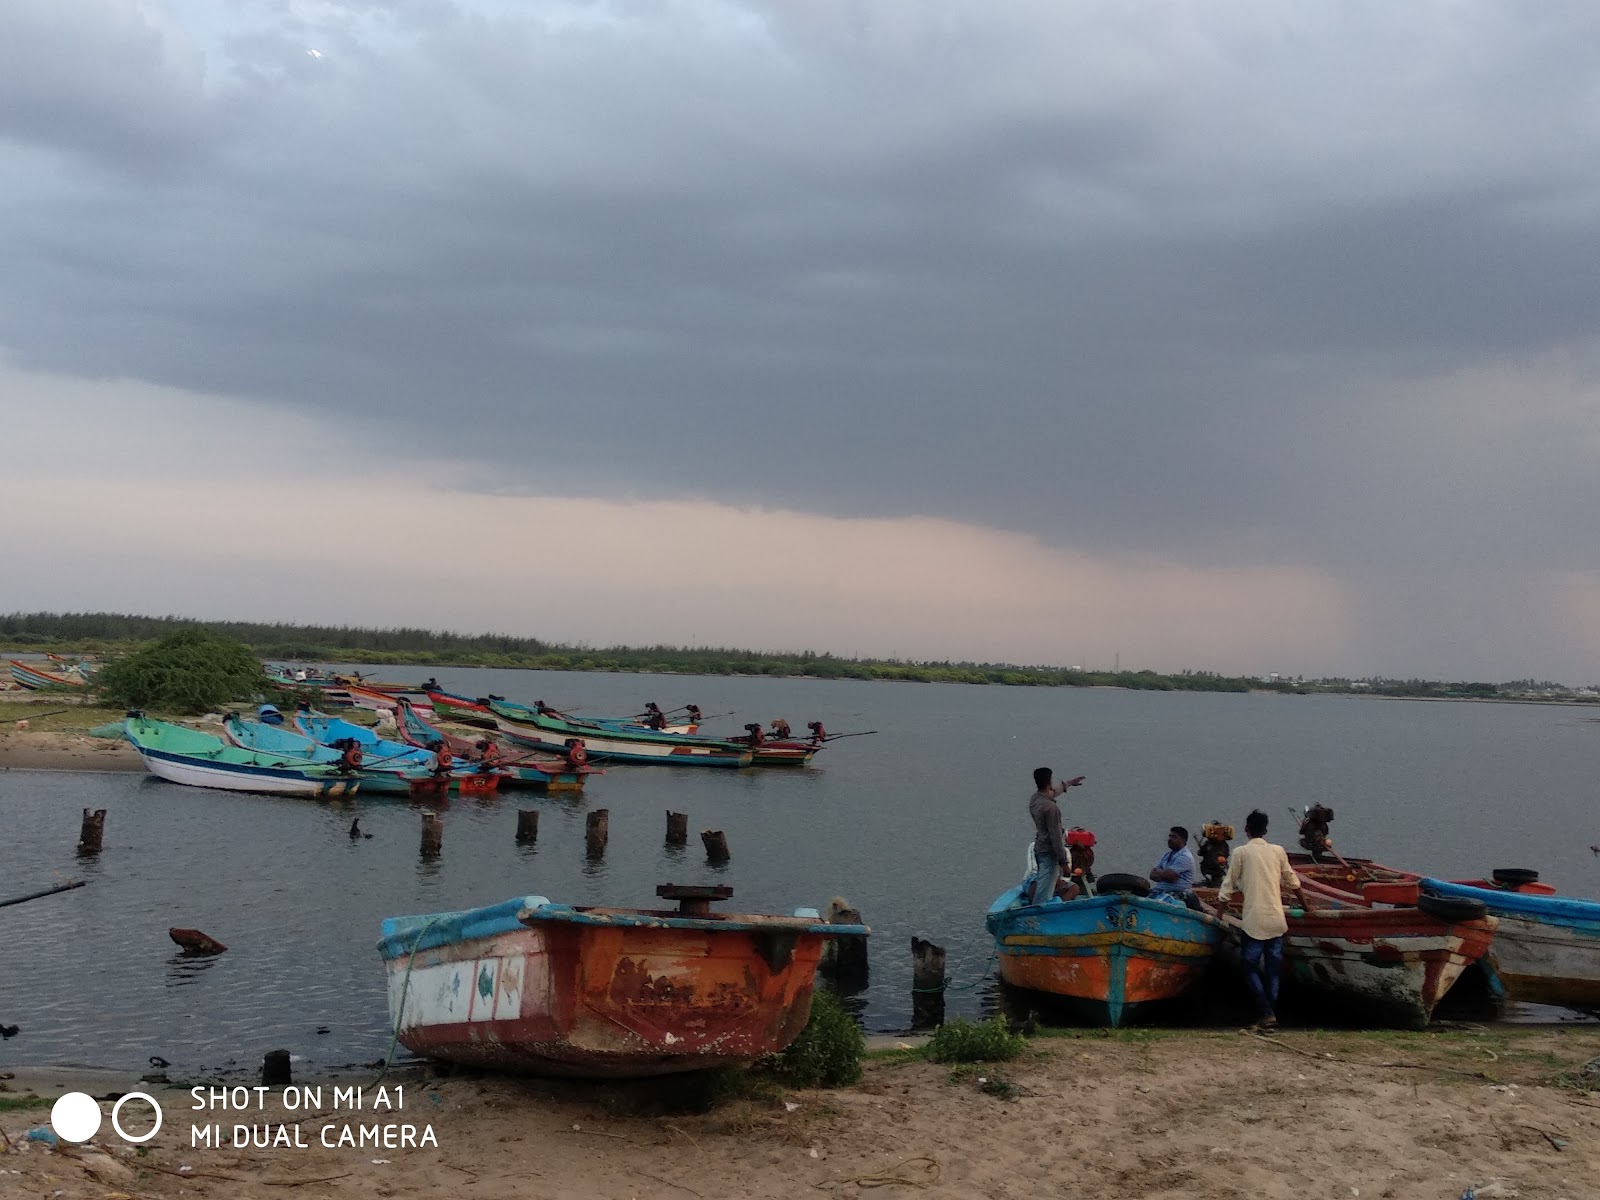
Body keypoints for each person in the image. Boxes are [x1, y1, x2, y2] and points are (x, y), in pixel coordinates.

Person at [1216, 809, 1307, 1030]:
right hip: (1277, 920)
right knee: (1274, 970)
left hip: (1254, 922)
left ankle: (1266, 1013)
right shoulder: (1277, 851)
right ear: (1265, 830)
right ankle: (1271, 1014)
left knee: (1249, 967)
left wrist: (1219, 915)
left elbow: (1227, 888)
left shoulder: (1240, 853)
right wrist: (1307, 907)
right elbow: (1294, 882)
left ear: (1246, 830)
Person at [1028, 766, 1086, 904]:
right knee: (1043, 893)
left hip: (1039, 849)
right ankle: (1037, 919)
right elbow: (1055, 837)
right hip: (1049, 852)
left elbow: (1052, 793)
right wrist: (1064, 862)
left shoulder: (1035, 800)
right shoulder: (1051, 808)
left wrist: (1069, 784)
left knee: (1043, 885)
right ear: (1049, 781)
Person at [1150, 826, 1200, 908]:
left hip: (1177, 894)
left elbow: (1171, 877)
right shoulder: (1166, 855)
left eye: (1174, 837)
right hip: (1160, 892)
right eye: (1170, 836)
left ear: (1183, 841)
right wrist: (1164, 873)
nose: (1170, 839)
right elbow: (1152, 875)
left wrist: (1160, 872)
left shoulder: (1185, 857)